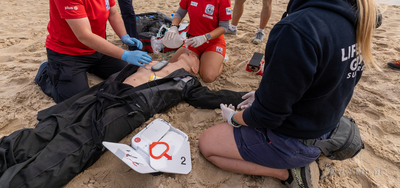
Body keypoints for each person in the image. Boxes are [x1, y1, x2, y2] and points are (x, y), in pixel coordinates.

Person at [199, 0, 380, 187]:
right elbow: (325, 79)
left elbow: (267, 117)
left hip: (297, 139)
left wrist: (235, 118)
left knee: (209, 143)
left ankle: (287, 173)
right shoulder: (358, 13)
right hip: (325, 123)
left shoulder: (298, 28)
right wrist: (263, 95)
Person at [1, 53, 246, 187]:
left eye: (196, 56)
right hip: (99, 96)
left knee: (74, 145)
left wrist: (248, 97)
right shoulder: (152, 59)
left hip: (125, 108)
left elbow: (212, 97)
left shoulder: (188, 82)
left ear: (195, 68)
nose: (192, 52)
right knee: (48, 128)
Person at [34, 0, 151, 104]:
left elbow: (112, 13)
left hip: (96, 49)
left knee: (132, 72)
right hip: (68, 54)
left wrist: (124, 36)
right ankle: (45, 72)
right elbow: (84, 36)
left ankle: (91, 67)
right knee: (77, 101)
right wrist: (124, 54)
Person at [163, 0, 232, 83]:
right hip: (192, 41)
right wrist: (173, 27)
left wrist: (205, 37)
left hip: (212, 42)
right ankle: (203, 58)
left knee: (207, 76)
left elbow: (224, 27)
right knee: (171, 68)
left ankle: (219, 59)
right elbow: (179, 14)